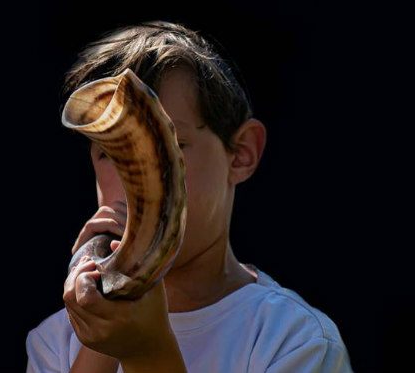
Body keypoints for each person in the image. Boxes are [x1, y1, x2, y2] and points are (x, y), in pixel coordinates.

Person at [26, 21, 352, 373]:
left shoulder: (294, 338)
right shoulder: (58, 340)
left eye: (167, 149)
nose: (134, 183)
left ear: (241, 153)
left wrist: (145, 351)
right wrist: (100, 339)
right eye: (109, 153)